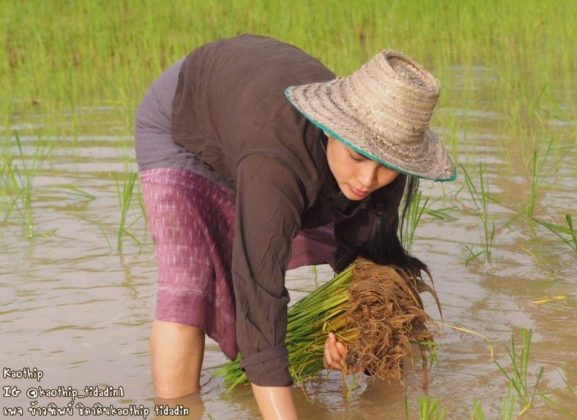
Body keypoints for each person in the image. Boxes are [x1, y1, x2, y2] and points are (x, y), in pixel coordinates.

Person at [135, 34, 455, 419]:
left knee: (372, 265)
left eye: (385, 166)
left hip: (249, 118)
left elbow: (362, 262)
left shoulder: (385, 151)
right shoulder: (278, 163)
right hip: (184, 119)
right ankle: (177, 410)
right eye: (357, 156)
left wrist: (342, 330)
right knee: (191, 285)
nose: (368, 179)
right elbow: (258, 289)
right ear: (331, 129)